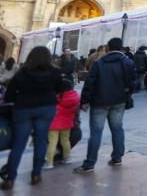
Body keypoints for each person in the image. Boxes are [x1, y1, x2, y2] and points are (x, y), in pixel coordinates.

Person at [1, 47, 61, 189]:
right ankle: (36, 175)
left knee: (19, 144)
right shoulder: (55, 72)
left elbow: (9, 95)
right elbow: (59, 88)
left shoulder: (22, 72)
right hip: (46, 109)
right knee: (41, 142)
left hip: (23, 109)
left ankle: (10, 178)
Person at [74, 37, 135, 174]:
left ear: (108, 47)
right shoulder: (128, 62)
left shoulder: (99, 63)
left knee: (96, 132)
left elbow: (90, 83)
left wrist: (84, 101)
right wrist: (127, 94)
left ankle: (89, 164)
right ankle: (117, 157)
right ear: (121, 48)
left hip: (100, 101)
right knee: (117, 128)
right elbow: (132, 83)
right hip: (119, 101)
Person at [45, 78, 79, 169]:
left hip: (54, 124)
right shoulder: (75, 97)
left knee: (52, 142)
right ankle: (67, 158)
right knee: (65, 140)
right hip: (67, 123)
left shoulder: (57, 97)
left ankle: (49, 163)